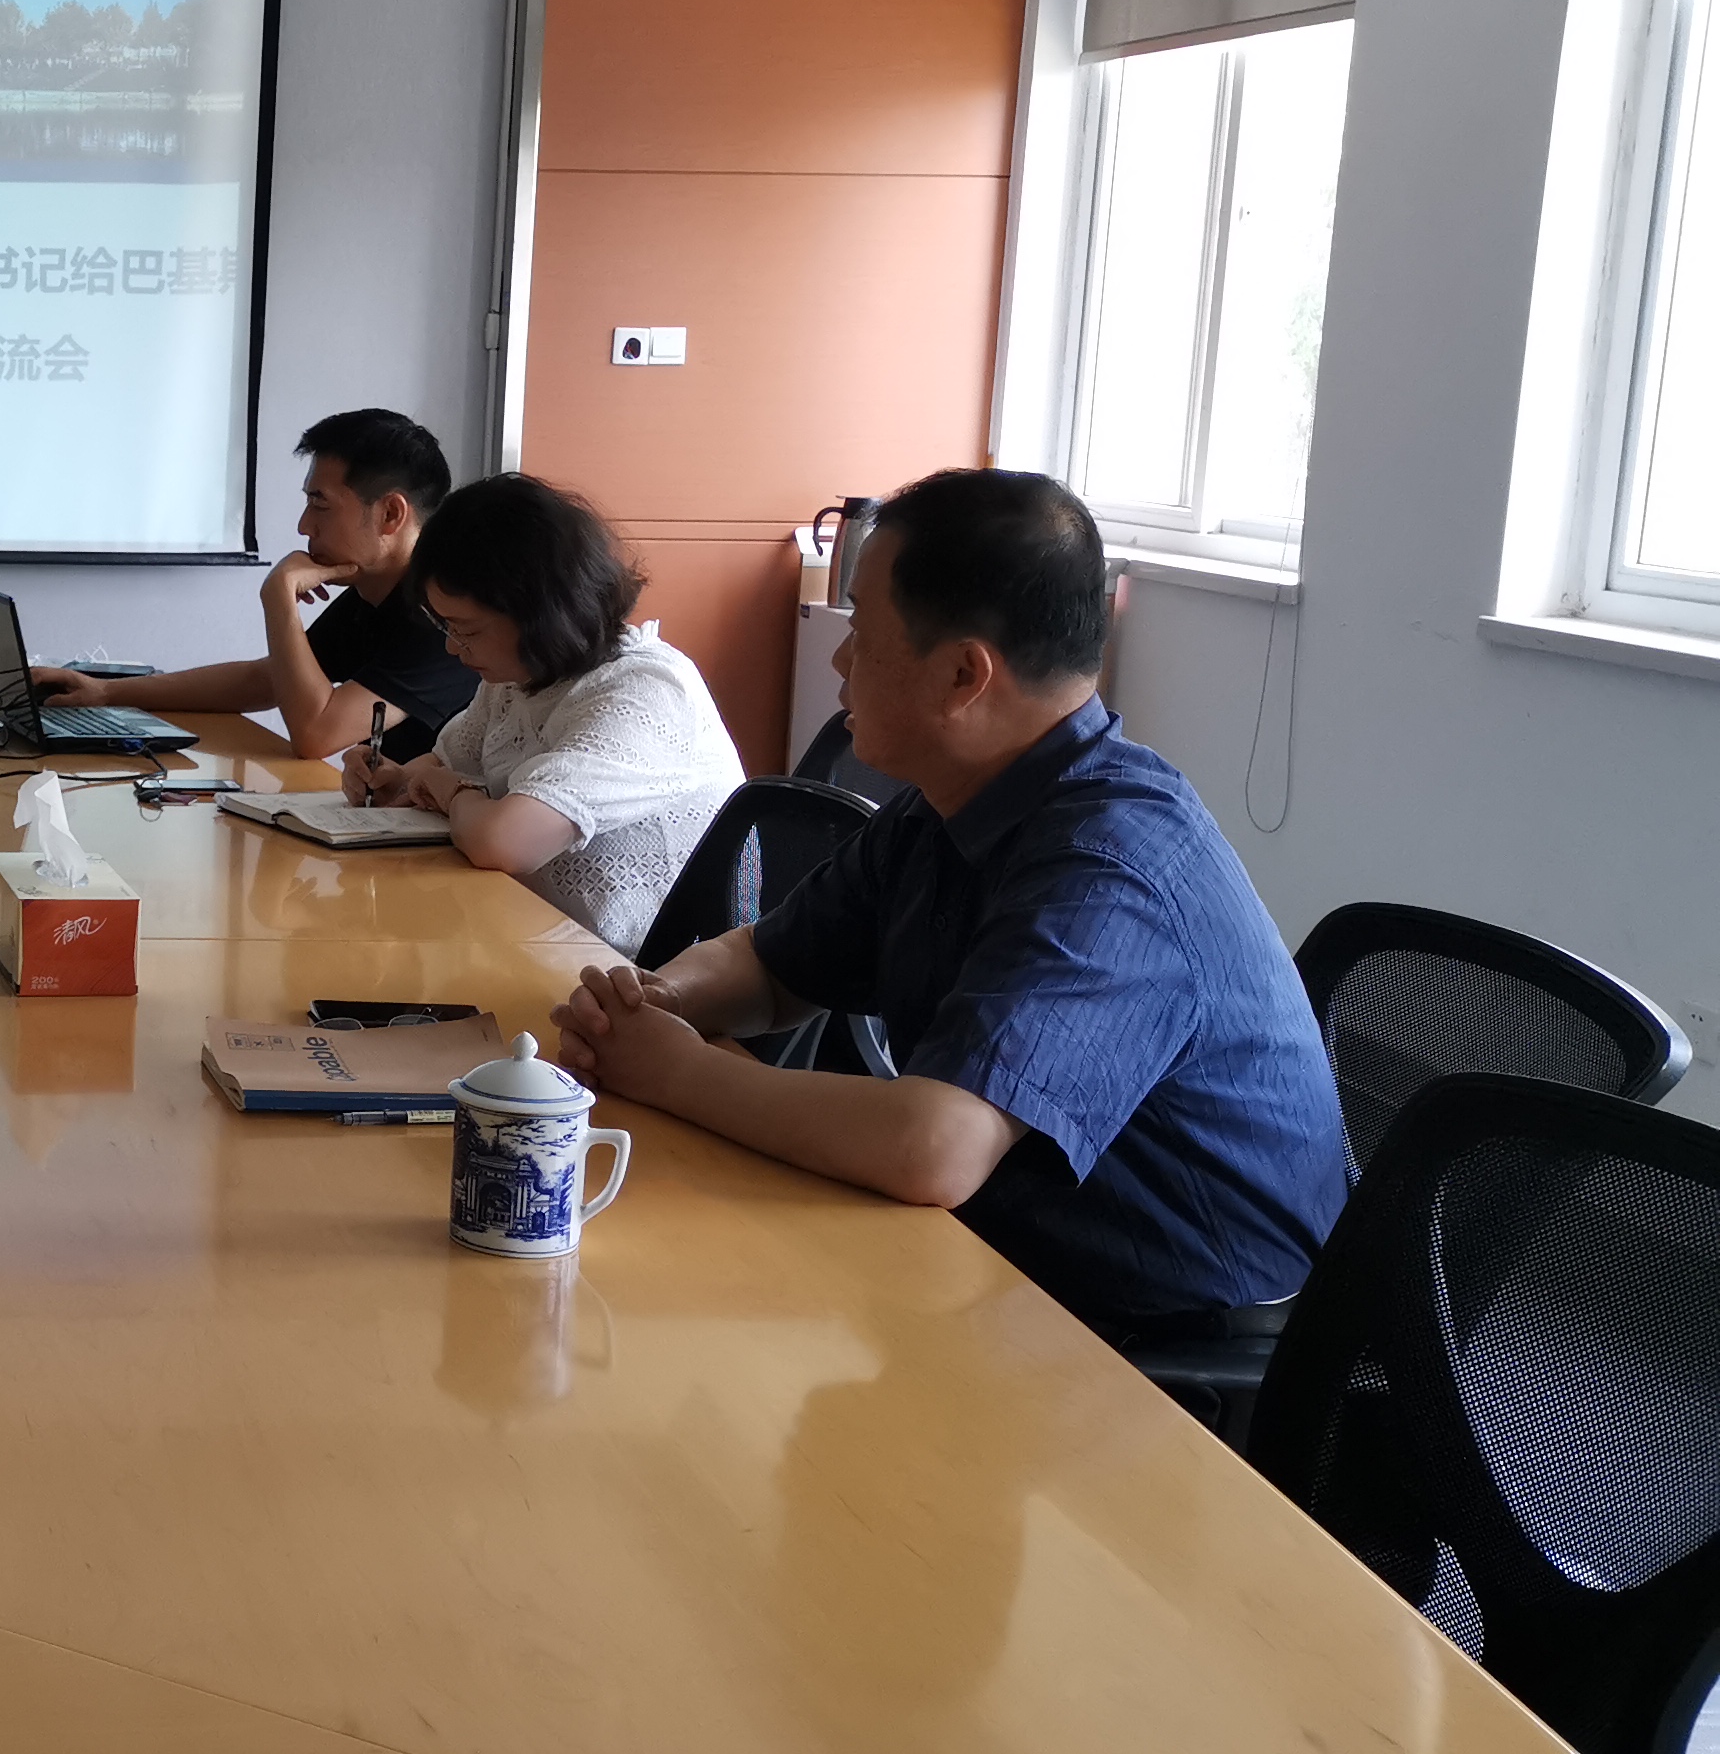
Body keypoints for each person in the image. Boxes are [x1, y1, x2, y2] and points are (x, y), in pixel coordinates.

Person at [554, 468, 1348, 1344]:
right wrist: (657, 1001)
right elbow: (771, 968)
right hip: (998, 1255)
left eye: (861, 629)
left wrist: (676, 1071)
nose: (839, 660)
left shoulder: (1113, 867)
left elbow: (935, 1147)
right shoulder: (947, 803)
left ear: (965, 674)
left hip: (1164, 1336)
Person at [337, 473, 741, 955]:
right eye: (445, 626)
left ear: (541, 613)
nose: (452, 647)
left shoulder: (645, 691)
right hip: (531, 938)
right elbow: (444, 765)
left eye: (467, 630)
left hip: (637, 973)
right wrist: (397, 781)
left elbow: (503, 841)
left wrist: (448, 790)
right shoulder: (518, 678)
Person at [26, 409, 477, 761]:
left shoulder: (445, 614)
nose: (304, 526)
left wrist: (278, 597)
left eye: (320, 505)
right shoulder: (374, 594)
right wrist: (105, 692)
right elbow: (263, 681)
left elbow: (316, 734)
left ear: (391, 514)